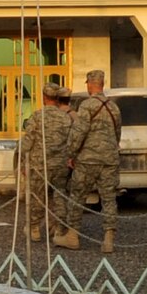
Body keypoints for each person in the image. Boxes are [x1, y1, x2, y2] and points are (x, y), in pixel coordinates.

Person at [59, 69, 122, 253]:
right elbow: (117, 134)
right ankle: (108, 239)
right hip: (109, 159)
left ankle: (72, 236)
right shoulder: (114, 107)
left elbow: (79, 132)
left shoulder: (87, 106)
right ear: (102, 84)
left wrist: (70, 154)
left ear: (89, 84)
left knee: (77, 196)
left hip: (88, 159)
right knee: (109, 198)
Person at [17, 81, 75, 244]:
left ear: (44, 97)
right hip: (60, 165)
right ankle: (59, 228)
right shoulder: (65, 118)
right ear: (57, 98)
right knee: (60, 196)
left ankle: (34, 229)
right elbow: (71, 141)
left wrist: (23, 162)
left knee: (38, 197)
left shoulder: (37, 116)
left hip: (39, 164)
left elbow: (27, 142)